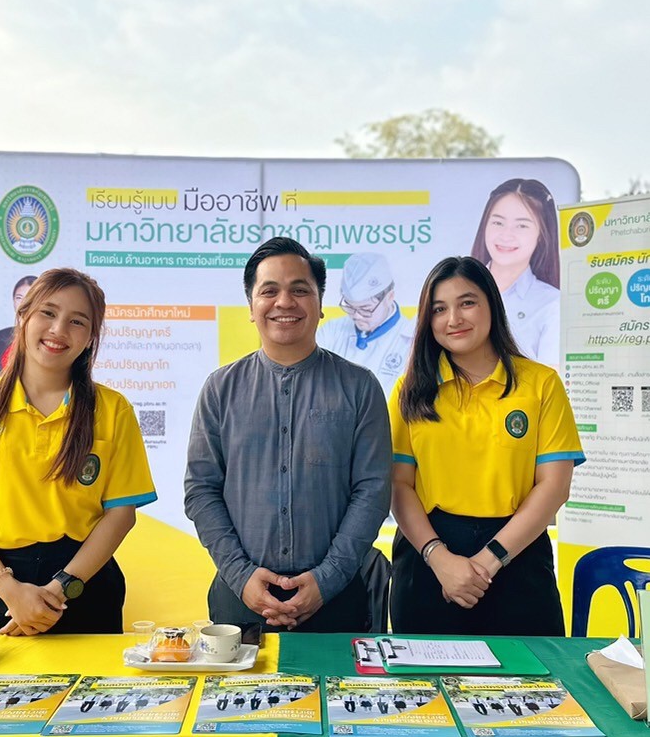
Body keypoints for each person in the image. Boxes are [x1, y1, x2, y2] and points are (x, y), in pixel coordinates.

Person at [0, 267, 157, 635]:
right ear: (23, 316)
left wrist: (57, 590)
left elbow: (121, 514)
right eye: (48, 313)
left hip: (82, 584)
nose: (58, 330)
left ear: (91, 337)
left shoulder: (113, 410)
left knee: (89, 677)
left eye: (77, 321)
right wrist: (10, 591)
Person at [184, 237, 391, 633]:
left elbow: (373, 491)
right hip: (240, 599)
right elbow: (201, 490)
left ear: (320, 304)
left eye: (300, 290)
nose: (284, 302)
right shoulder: (220, 389)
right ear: (251, 307)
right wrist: (241, 575)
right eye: (269, 291)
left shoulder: (359, 387)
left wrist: (326, 579)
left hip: (337, 598)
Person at [387, 256, 584, 636]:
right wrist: (440, 559)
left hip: (518, 559)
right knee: (426, 675)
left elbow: (554, 486)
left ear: (492, 304)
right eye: (439, 309)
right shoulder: (409, 390)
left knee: (530, 674)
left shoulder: (541, 384)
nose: (453, 319)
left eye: (467, 303)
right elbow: (398, 485)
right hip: (428, 564)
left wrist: (489, 561)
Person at [469, 177, 561, 368]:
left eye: (522, 225)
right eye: (498, 223)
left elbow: (551, 382)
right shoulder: (452, 290)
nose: (506, 235)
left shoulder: (553, 304)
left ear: (542, 235)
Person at [318, 252, 416, 397]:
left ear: (389, 297)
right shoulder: (331, 330)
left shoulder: (410, 341)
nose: (356, 316)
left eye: (366, 309)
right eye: (350, 306)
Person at [0, 275, 38, 378]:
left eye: (29, 298)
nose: (23, 303)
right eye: (19, 298)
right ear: (13, 301)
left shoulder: (49, 336)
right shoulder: (1, 337)